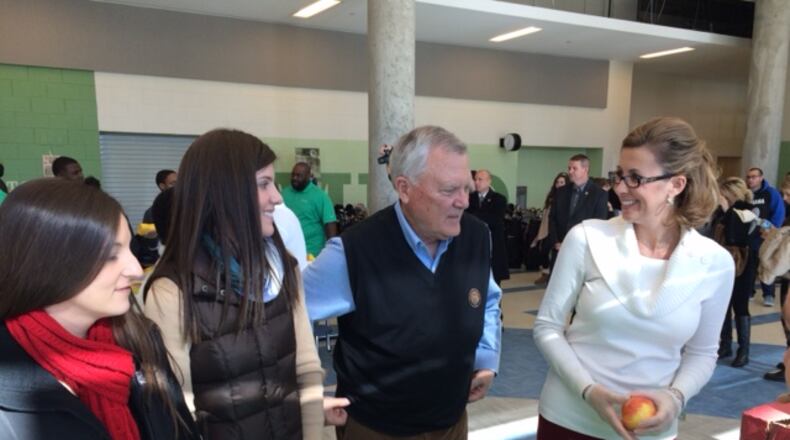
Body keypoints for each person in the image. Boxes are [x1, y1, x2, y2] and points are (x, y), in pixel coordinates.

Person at [534, 117, 734, 439]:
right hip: (570, 418)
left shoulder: (714, 263)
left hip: (649, 429)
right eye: (619, 175)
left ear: (676, 185)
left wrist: (675, 397)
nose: (620, 188)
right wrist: (588, 390)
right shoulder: (588, 238)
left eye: (635, 178)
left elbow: (702, 353)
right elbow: (547, 327)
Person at [304, 125, 502, 440]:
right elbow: (288, 315)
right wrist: (303, 391)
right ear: (405, 188)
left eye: (466, 188)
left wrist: (486, 359)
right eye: (449, 190)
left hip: (451, 422)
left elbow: (487, 299)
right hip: (377, 428)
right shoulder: (355, 251)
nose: (463, 201)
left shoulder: (476, 236)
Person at [143, 129, 329, 439]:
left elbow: (306, 368)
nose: (277, 198)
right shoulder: (172, 291)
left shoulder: (282, 267)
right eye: (264, 184)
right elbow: (178, 409)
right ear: (225, 193)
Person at [0, 179, 199, 439]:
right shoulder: (10, 376)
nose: (136, 270)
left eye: (129, 249)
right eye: (110, 255)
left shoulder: (140, 337)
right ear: (47, 263)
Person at [712, 177, 759, 367]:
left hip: (743, 264)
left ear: (731, 194)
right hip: (723, 262)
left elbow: (734, 236)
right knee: (723, 304)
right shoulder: (721, 212)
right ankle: (725, 344)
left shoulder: (747, 211)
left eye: (723, 194)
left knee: (740, 305)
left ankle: (743, 350)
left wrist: (728, 211)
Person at [546, 153, 608, 275]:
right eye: (569, 168)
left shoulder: (598, 194)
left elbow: (598, 224)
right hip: (560, 249)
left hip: (583, 252)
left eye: (574, 168)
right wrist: (556, 242)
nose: (570, 172)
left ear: (585, 169)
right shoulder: (561, 192)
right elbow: (552, 218)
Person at [746, 166, 786, 306]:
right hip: (750, 237)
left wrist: (771, 231)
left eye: (754, 177)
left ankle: (768, 294)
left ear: (761, 178)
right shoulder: (746, 193)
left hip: (766, 237)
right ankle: (749, 292)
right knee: (749, 266)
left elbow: (779, 213)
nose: (750, 179)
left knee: (766, 265)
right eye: (748, 177)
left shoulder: (771, 193)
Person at [282, 162, 338, 257]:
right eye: (293, 175)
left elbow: (330, 224)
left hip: (312, 252)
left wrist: (331, 252)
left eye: (299, 175)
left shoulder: (320, 196)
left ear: (308, 176)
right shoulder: (284, 194)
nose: (294, 178)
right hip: (288, 251)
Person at [466, 169, 509, 285]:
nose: (477, 182)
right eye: (475, 179)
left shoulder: (499, 199)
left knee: (494, 283)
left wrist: (474, 216)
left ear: (489, 181)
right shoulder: (468, 198)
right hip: (473, 246)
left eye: (480, 179)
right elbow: (465, 218)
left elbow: (495, 220)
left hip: (493, 246)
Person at [530, 172, 568, 285]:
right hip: (547, 228)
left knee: (554, 254)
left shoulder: (568, 198)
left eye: (562, 182)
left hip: (558, 231)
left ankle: (552, 275)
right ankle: (546, 273)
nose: (559, 184)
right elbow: (546, 216)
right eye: (557, 182)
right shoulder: (551, 197)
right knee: (543, 251)